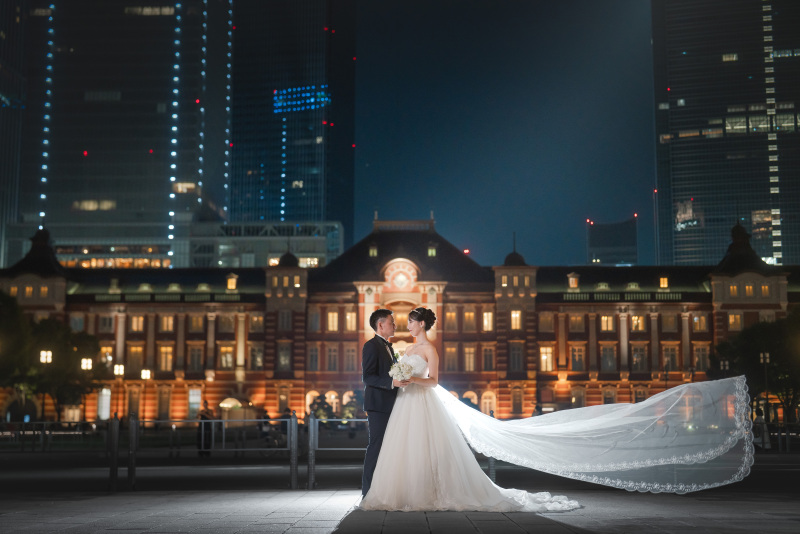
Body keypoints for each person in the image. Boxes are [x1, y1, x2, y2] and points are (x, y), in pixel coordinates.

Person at [360, 307, 754, 512]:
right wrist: (401, 380)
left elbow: (433, 380)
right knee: (403, 450)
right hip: (405, 403)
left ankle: (425, 491)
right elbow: (389, 373)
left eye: (409, 321)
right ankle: (399, 491)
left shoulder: (426, 348)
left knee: (428, 449)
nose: (405, 325)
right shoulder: (404, 347)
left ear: (420, 324)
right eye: (403, 321)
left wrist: (410, 380)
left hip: (420, 397)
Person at [361, 309, 410, 497]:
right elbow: (368, 377)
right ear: (380, 325)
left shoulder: (389, 347)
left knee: (390, 448)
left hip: (392, 405)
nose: (395, 325)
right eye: (392, 322)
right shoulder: (371, 346)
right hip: (378, 406)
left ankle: (382, 491)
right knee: (376, 446)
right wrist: (392, 382)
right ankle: (367, 493)